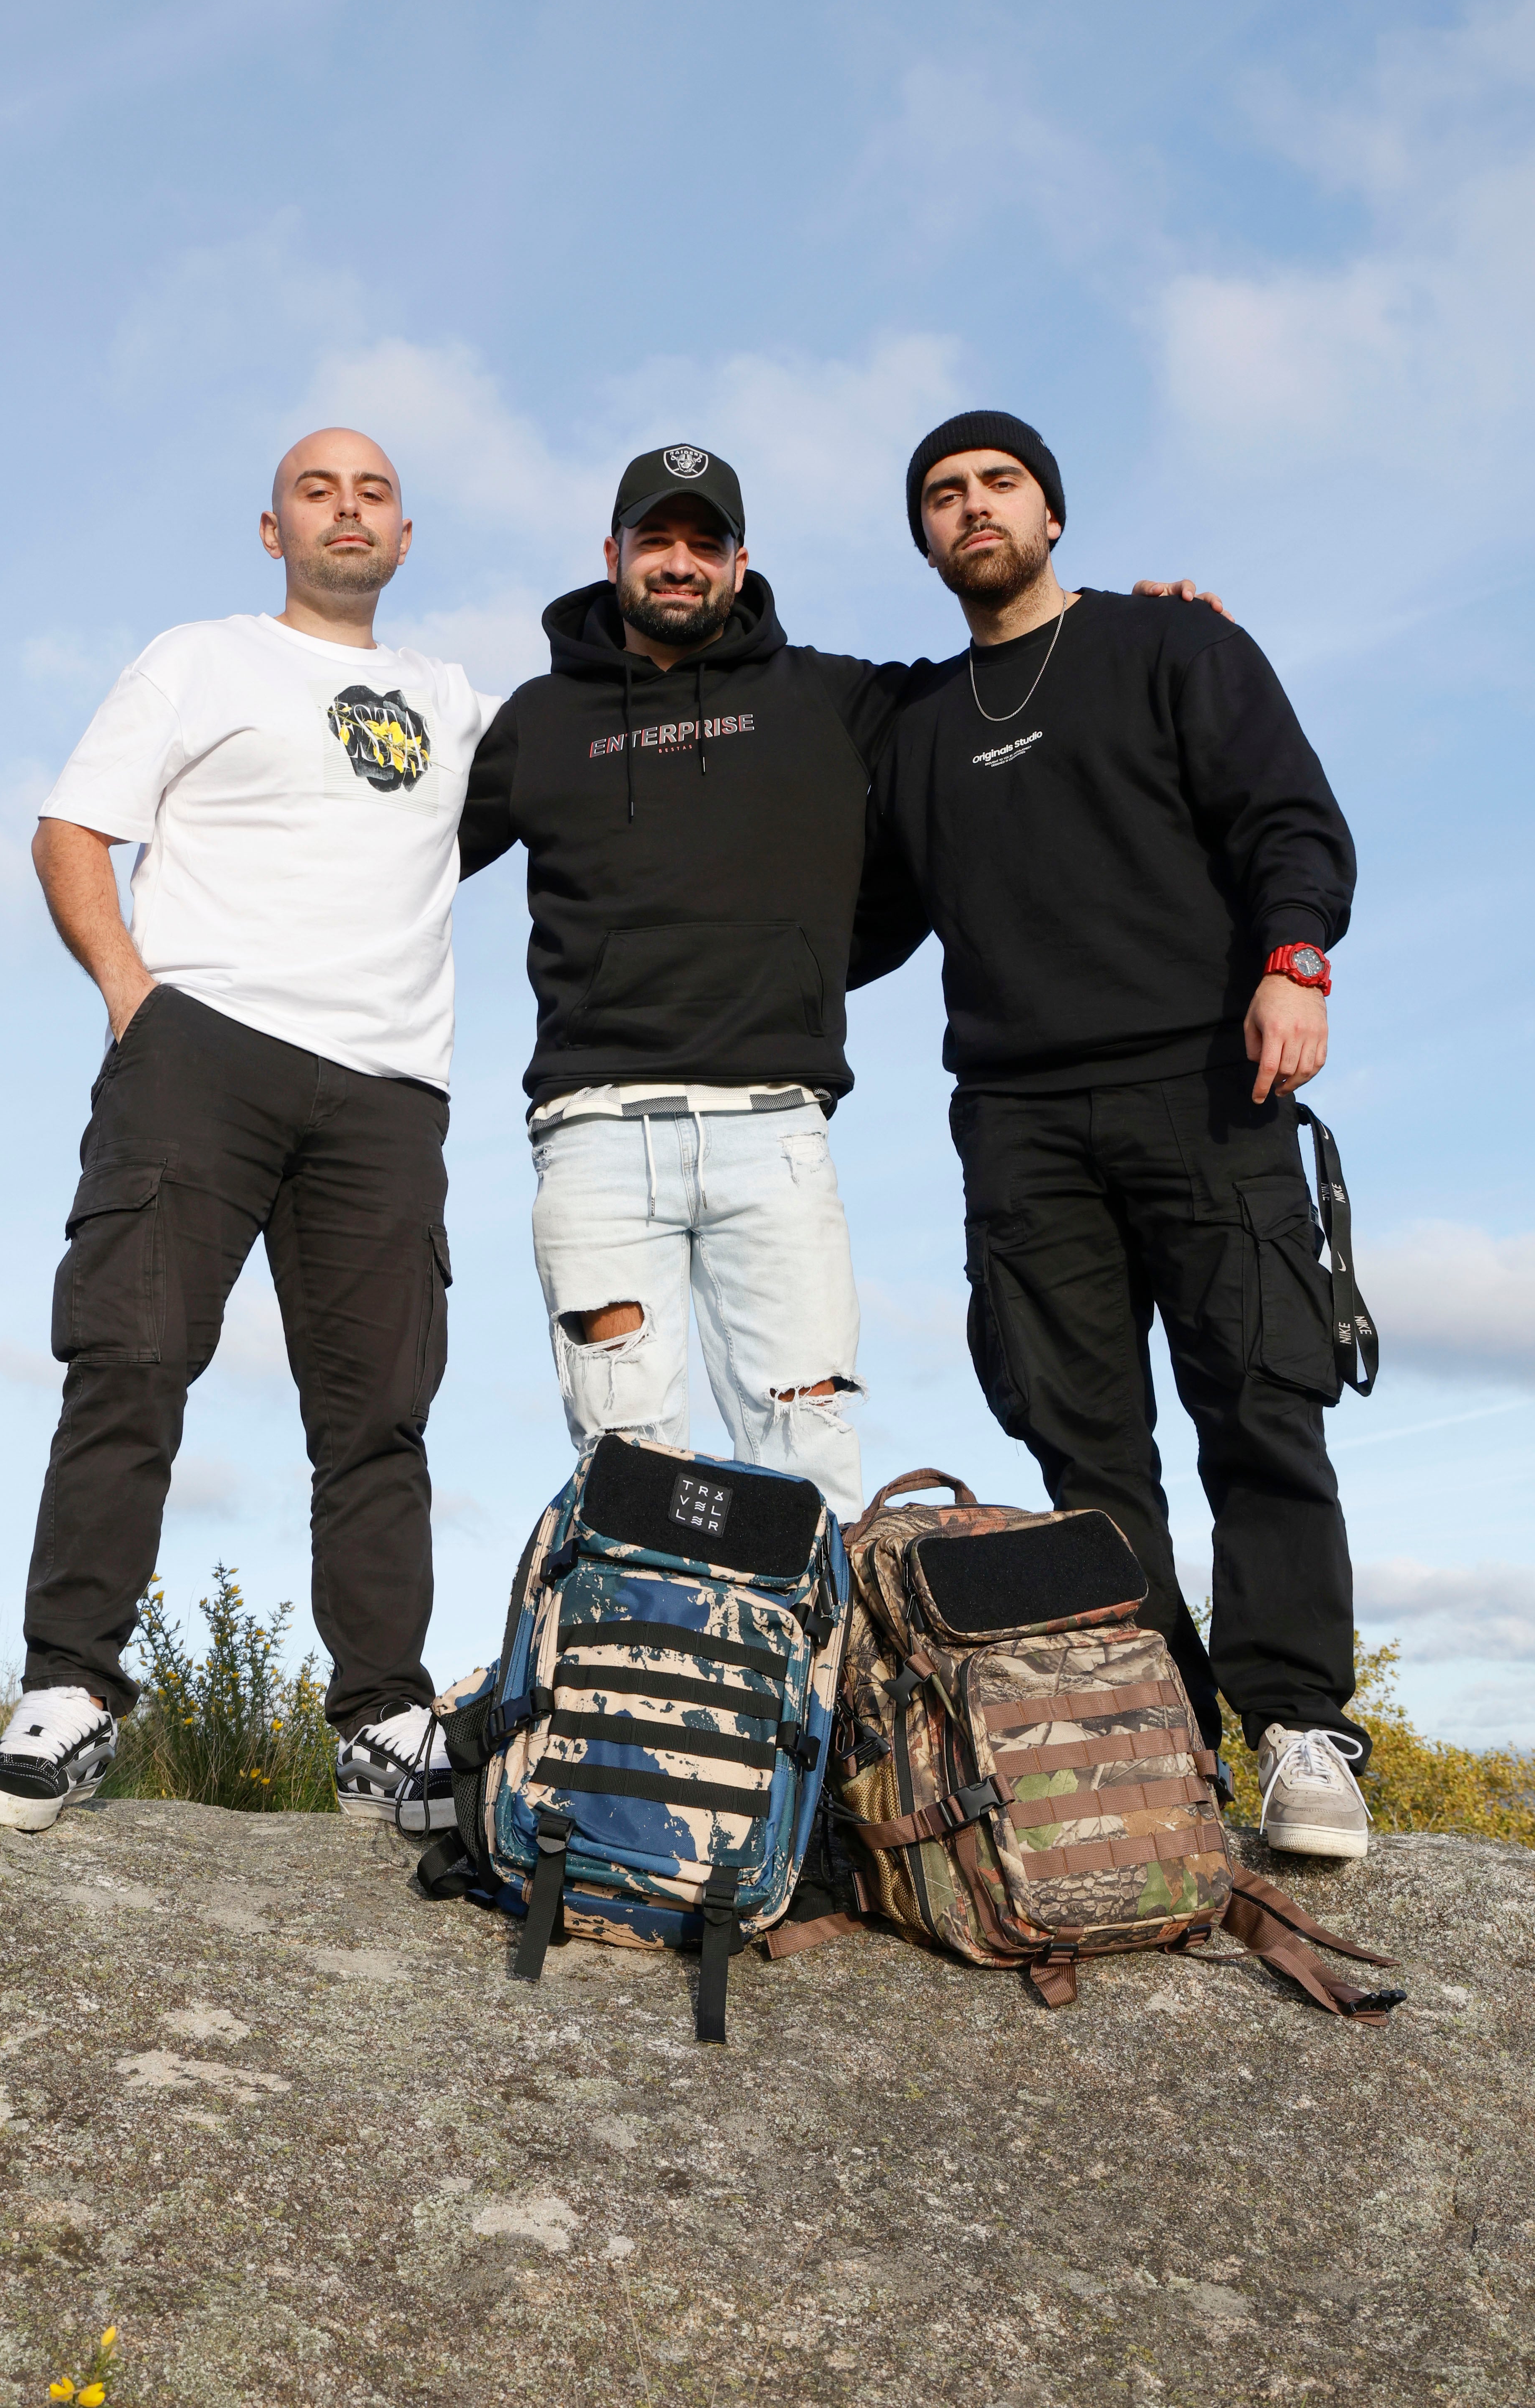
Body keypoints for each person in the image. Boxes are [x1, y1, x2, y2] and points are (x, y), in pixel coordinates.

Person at [459, 442, 1209, 1525]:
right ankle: (663, 1688)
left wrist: (1130, 630)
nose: (679, 564)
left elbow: (1008, 675)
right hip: (595, 1134)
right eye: (656, 541)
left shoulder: (830, 697)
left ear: (740, 560)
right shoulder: (536, 721)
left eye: (703, 544)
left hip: (777, 1132)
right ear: (611, 554)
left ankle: (821, 1697)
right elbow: (401, 851)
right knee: (628, 1469)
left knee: (807, 1454)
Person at [0, 430, 496, 1833]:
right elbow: (72, 830)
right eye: (317, 491)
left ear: (406, 533)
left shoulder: (454, 702)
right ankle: (67, 1690)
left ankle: (386, 1715)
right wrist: (140, 1002)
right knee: (130, 1362)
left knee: (379, 1415)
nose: (347, 510)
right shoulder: (199, 659)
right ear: (274, 532)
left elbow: (607, 752)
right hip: (205, 1052)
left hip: (388, 1088)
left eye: (373, 493)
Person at [854, 410, 1375, 1859]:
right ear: (925, 537)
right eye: (945, 496)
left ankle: (1298, 1731)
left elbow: (1290, 816)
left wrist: (1295, 962)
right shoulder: (913, 728)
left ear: (1053, 514)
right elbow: (852, 930)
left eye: (999, 485)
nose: (974, 510)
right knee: (1087, 1456)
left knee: (1263, 1409)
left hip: (1207, 1088)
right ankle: (1162, 1742)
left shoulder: (1174, 651)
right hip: (1017, 1124)